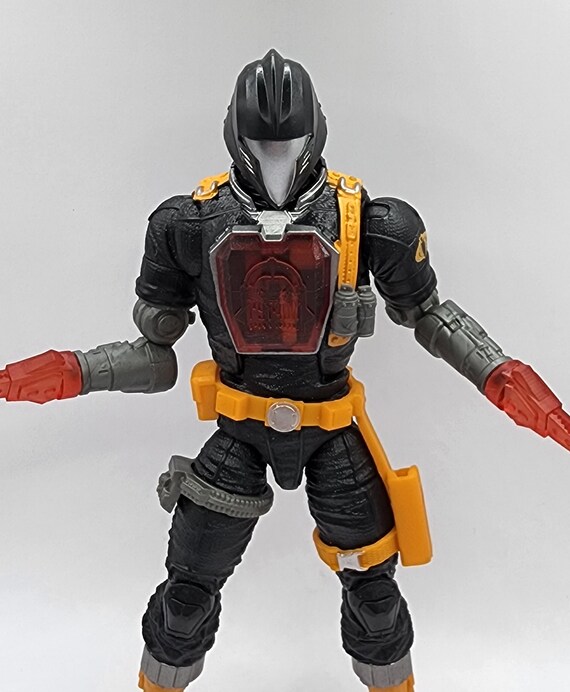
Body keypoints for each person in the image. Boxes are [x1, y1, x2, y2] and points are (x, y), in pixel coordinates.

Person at [2, 49, 569, 692]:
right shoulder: (189, 224)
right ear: (235, 139)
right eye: (262, 145)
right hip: (239, 432)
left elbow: (430, 316)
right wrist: (64, 373)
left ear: (315, 135)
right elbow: (156, 357)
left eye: (289, 144)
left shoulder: (370, 222)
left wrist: (508, 381)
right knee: (185, 600)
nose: (276, 160)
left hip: (332, 431)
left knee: (375, 600)